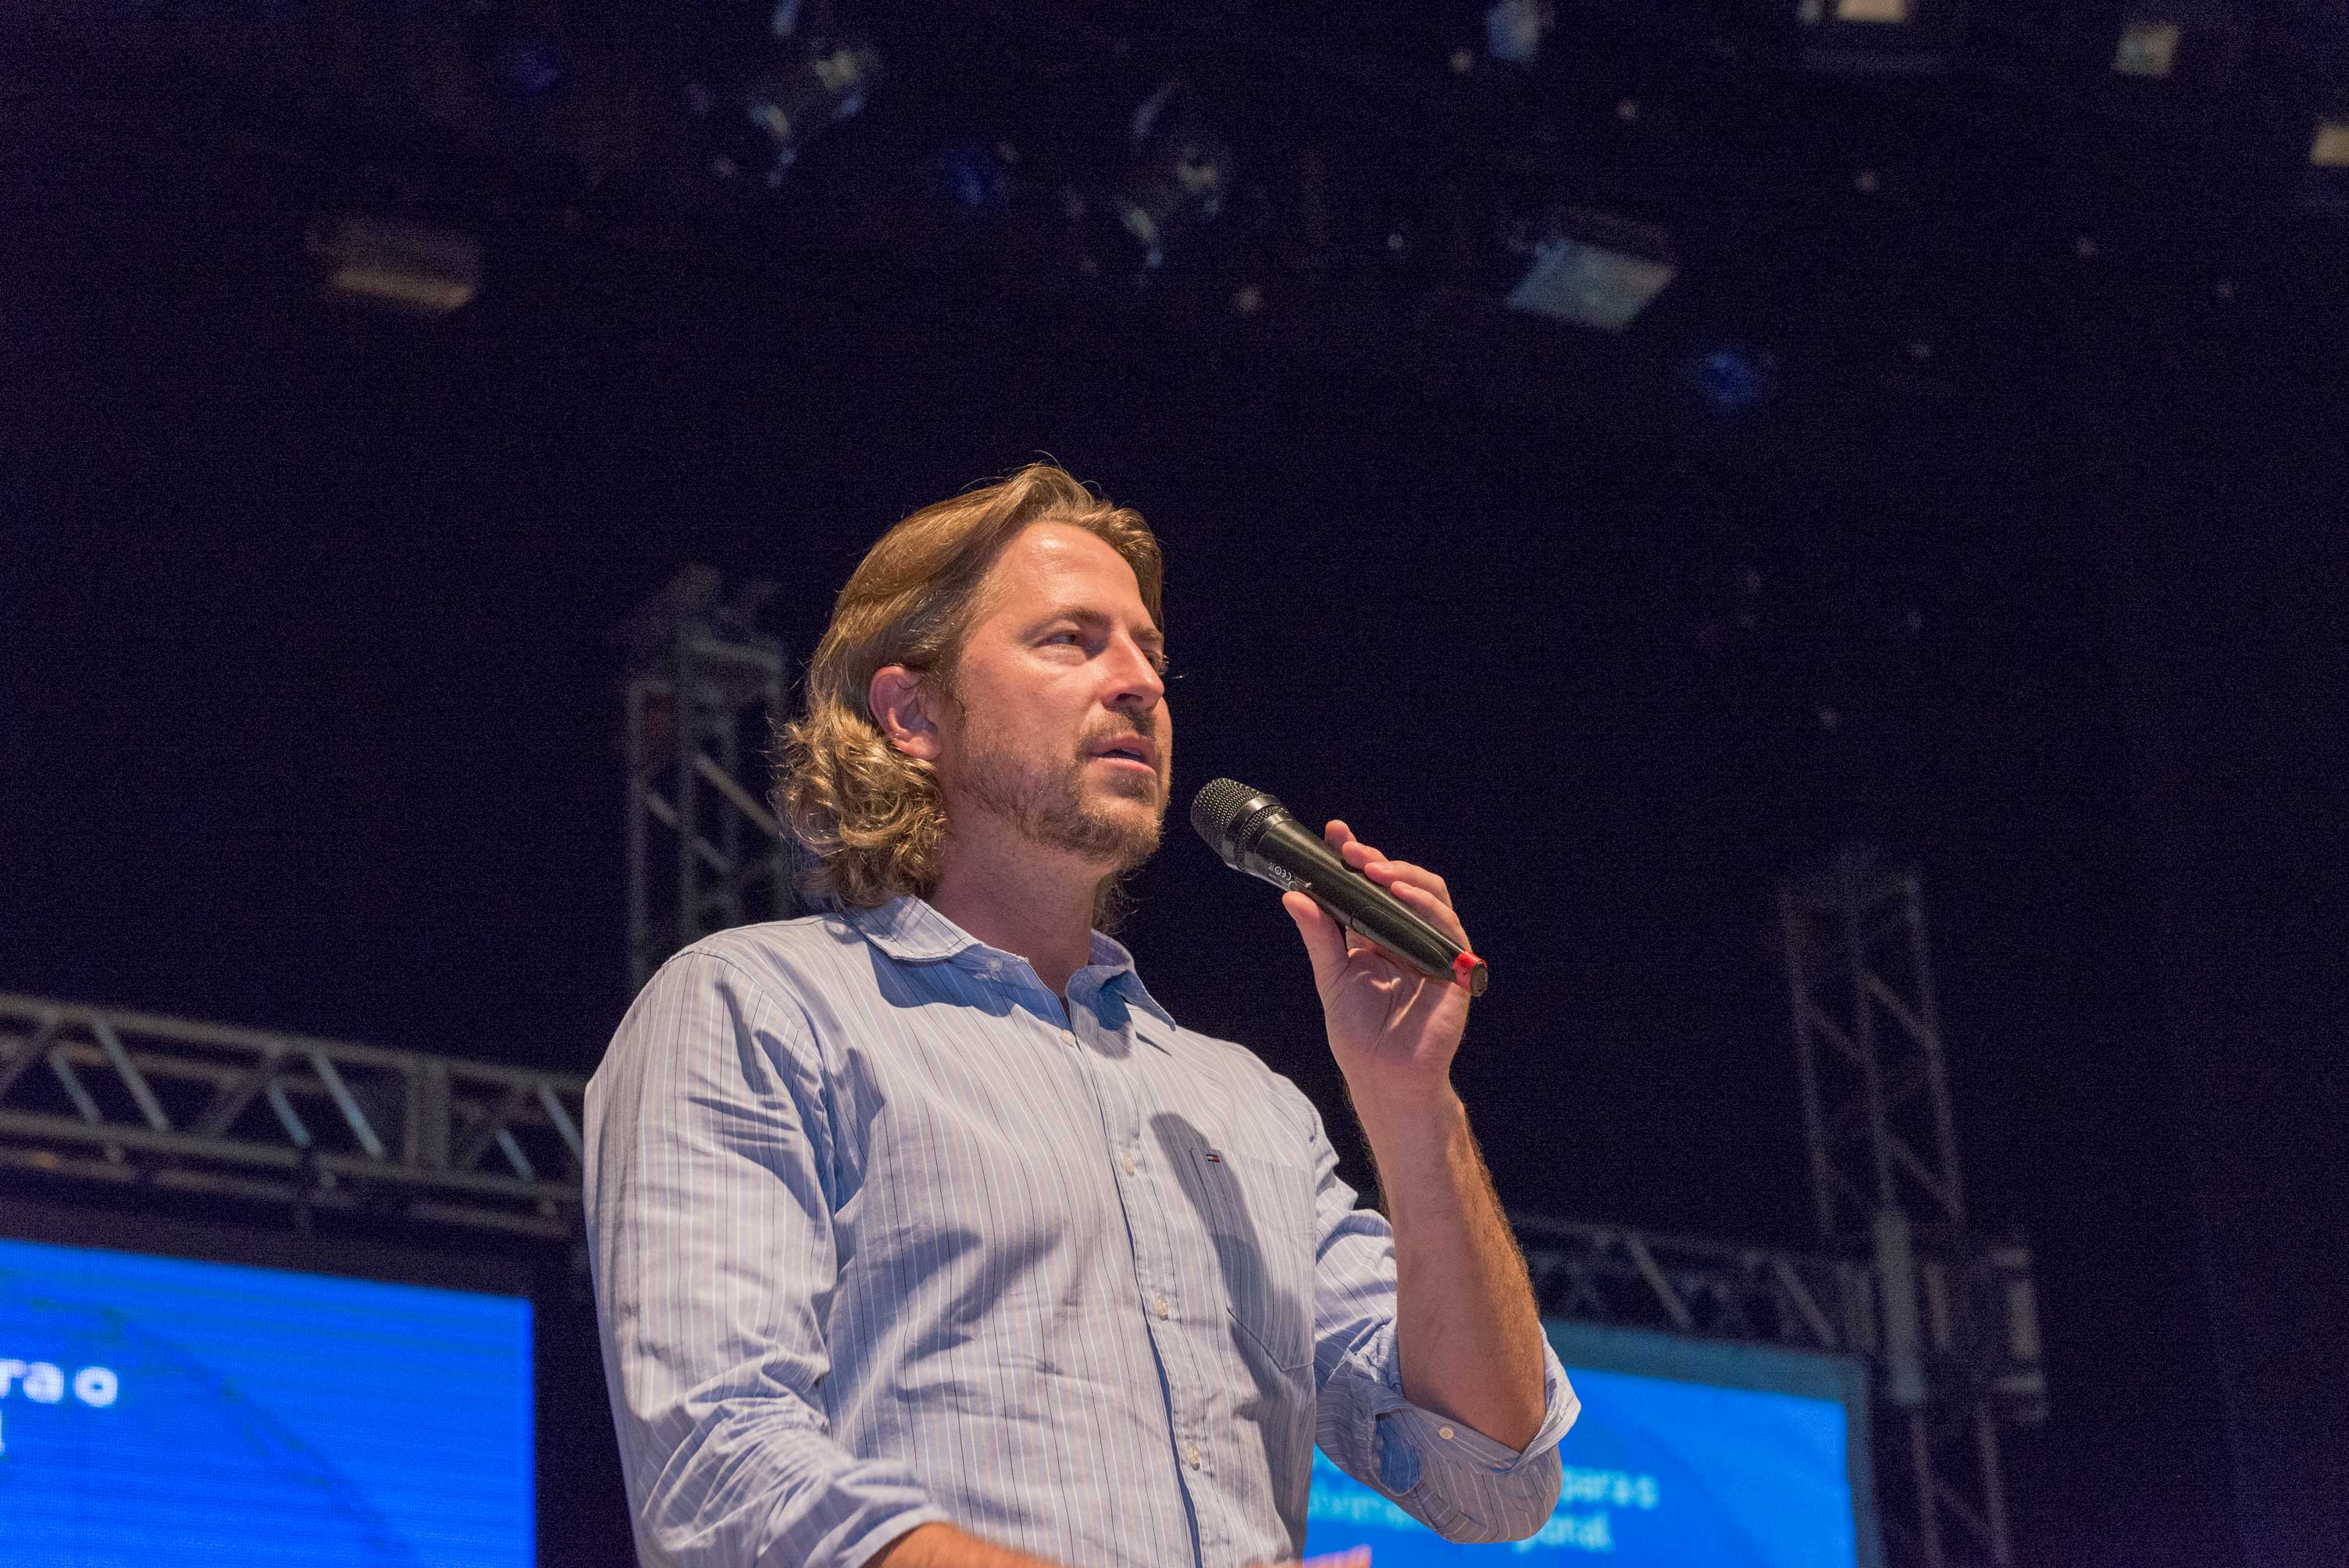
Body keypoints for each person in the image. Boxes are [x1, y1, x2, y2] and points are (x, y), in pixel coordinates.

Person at [584, 464, 1578, 1568]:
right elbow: (718, 1478)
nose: (1141, 683)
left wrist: (1412, 1102)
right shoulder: (759, 1009)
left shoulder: (1248, 1108)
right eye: (1071, 640)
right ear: (915, 714)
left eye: (1151, 653)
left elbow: (1494, 1476)